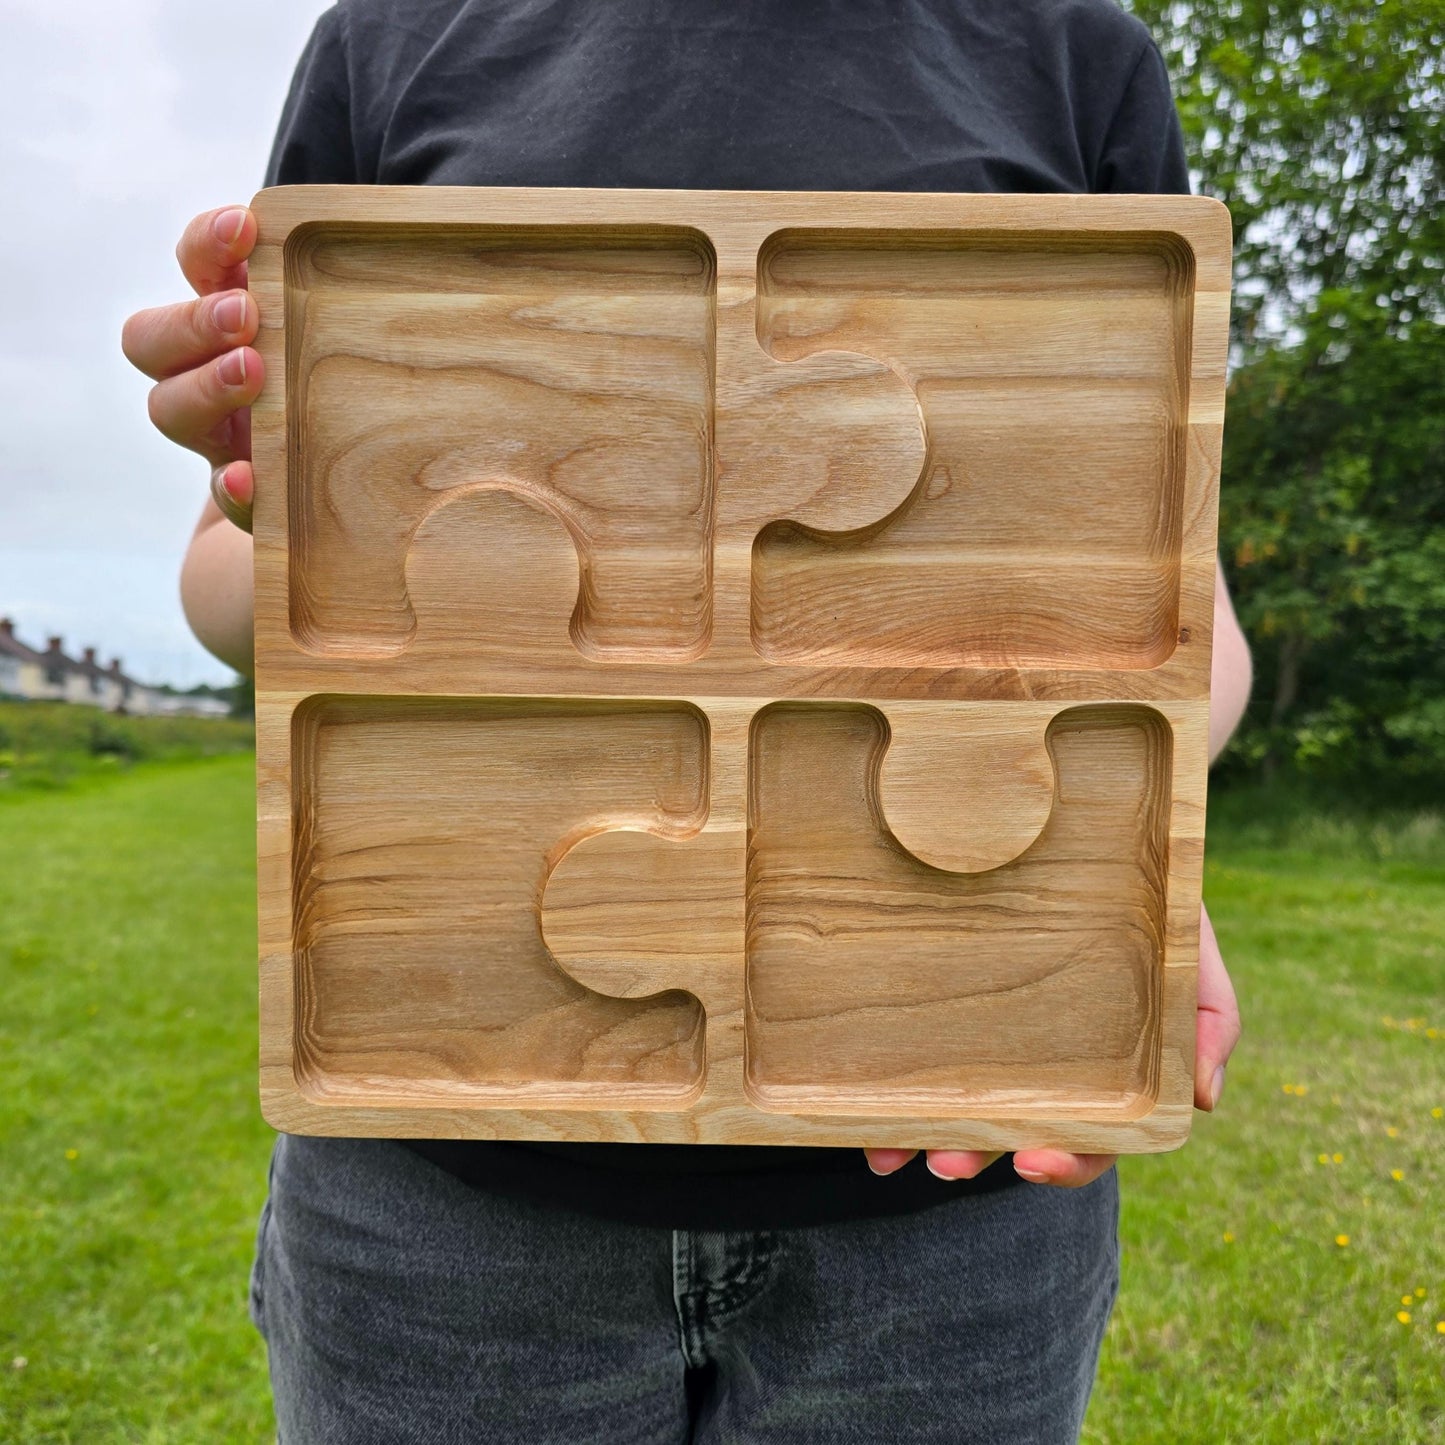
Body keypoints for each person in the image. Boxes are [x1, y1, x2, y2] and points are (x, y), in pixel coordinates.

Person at [121, 3, 1250, 1440]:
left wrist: (1134, 845)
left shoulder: (1075, 57)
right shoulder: (393, 41)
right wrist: (263, 498)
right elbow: (236, 593)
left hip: (939, 1193)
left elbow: (1177, 616)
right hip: (445, 1187)